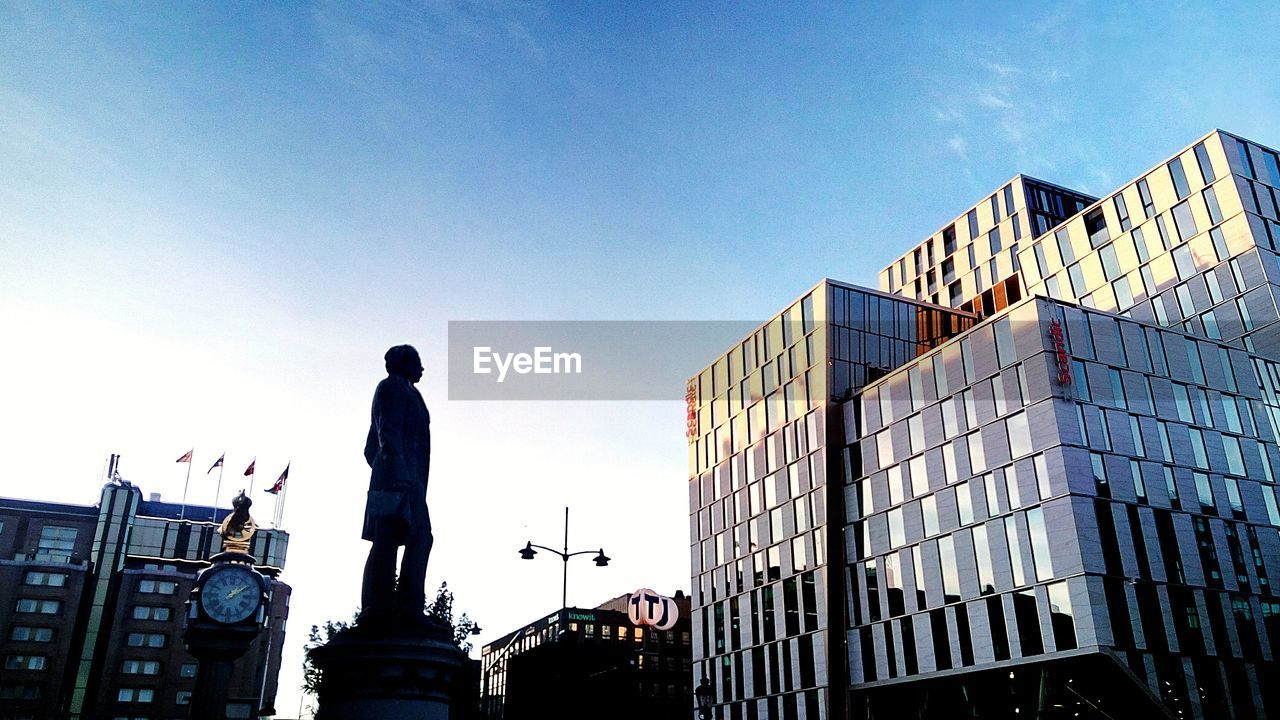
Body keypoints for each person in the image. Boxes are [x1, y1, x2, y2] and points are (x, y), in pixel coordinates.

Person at [360, 344, 433, 625]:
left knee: (405, 537)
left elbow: (369, 446)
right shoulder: (391, 387)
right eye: (418, 361)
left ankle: (400, 606)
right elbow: (384, 433)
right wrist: (396, 473)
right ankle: (388, 608)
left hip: (408, 477)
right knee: (398, 538)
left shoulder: (409, 392)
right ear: (403, 363)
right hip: (399, 478)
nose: (422, 368)